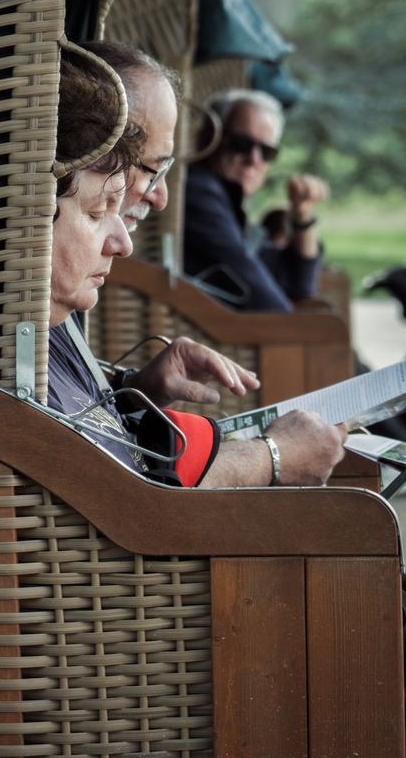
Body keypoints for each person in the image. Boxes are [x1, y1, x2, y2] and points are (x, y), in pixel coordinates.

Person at [47, 44, 347, 489]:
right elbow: (118, 494)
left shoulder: (49, 320)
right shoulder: (21, 325)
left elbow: (85, 438)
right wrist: (272, 458)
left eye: (268, 153)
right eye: (150, 168)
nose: (124, 244)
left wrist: (140, 390)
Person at [183, 89, 329, 312]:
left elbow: (298, 286)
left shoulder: (228, 199)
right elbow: (255, 286)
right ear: (212, 137)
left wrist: (302, 214)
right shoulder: (199, 191)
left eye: (267, 151)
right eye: (242, 144)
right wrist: (295, 334)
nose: (254, 159)